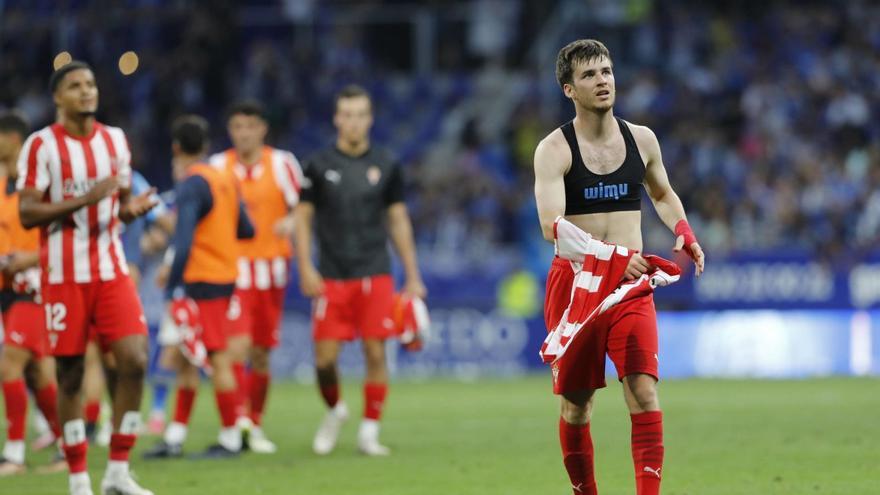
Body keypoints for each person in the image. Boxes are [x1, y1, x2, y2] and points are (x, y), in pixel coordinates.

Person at [533, 40, 705, 495]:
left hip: (630, 286)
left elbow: (662, 194)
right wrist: (613, 258)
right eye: (590, 75)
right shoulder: (554, 150)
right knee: (577, 406)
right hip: (578, 287)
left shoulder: (641, 139)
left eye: (607, 71)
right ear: (569, 89)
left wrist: (684, 230)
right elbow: (552, 228)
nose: (603, 80)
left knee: (644, 391)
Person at [16, 61, 156, 495]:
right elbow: (26, 212)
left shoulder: (115, 140)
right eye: (75, 86)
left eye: (91, 84)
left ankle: (117, 470)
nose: (86, 91)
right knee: (72, 374)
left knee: (133, 359)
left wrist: (132, 210)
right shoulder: (41, 146)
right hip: (62, 274)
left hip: (110, 269)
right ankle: (78, 479)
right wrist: (85, 198)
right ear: (58, 97)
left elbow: (121, 204)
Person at [294, 85, 426, 456]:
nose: (353, 122)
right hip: (331, 275)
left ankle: (369, 430)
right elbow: (302, 220)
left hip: (375, 272)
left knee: (375, 352)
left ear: (369, 119)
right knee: (324, 360)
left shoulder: (386, 164)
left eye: (360, 115)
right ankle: (336, 410)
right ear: (337, 119)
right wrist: (304, 266)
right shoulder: (317, 166)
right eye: (346, 114)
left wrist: (413, 275)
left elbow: (398, 220)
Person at [143, 115, 254, 459]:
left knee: (217, 357)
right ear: (205, 146)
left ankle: (231, 437)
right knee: (187, 358)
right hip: (223, 275)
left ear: (176, 148)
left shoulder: (192, 184)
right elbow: (247, 229)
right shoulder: (224, 178)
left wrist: (174, 284)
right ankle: (175, 437)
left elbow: (184, 236)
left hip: (199, 280)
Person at [207, 100, 303, 453]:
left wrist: (291, 222)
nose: (244, 134)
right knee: (235, 349)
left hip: (272, 271)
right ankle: (232, 425)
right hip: (232, 271)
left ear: (263, 129)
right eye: (237, 127)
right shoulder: (219, 166)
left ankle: (254, 424)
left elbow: (304, 207)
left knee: (261, 353)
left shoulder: (282, 164)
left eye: (250, 126)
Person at [0, 112, 65, 475]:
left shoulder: (39, 184)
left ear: (11, 139)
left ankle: (13, 455)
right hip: (8, 288)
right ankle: (67, 445)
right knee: (37, 375)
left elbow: (65, 236)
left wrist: (31, 257)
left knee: (10, 364)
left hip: (38, 286)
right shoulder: (2, 185)